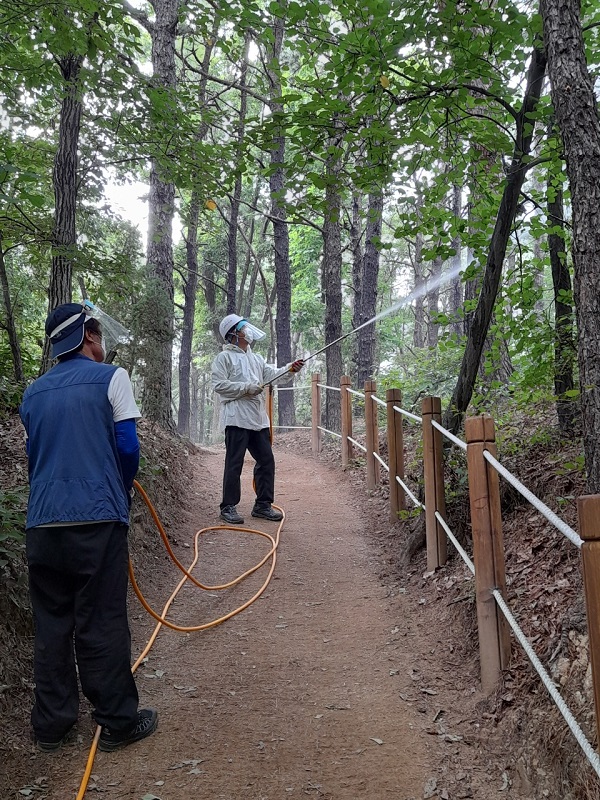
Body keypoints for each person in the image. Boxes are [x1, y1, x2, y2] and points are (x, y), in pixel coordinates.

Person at [19, 302, 158, 753]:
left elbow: (36, 454)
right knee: (100, 619)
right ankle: (117, 721)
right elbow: (127, 445)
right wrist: (121, 488)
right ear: (89, 338)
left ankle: (50, 726)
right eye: (98, 335)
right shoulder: (112, 378)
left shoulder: (33, 392)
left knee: (53, 623)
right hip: (96, 519)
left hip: (42, 524)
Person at [211, 314, 305, 525]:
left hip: (257, 419)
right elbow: (219, 386)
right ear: (233, 334)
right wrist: (246, 388)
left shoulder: (256, 358)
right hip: (236, 418)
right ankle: (228, 507)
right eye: (243, 327)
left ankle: (263, 505)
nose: (247, 330)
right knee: (234, 463)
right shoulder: (224, 358)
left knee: (266, 460)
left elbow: (273, 375)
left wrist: (291, 368)